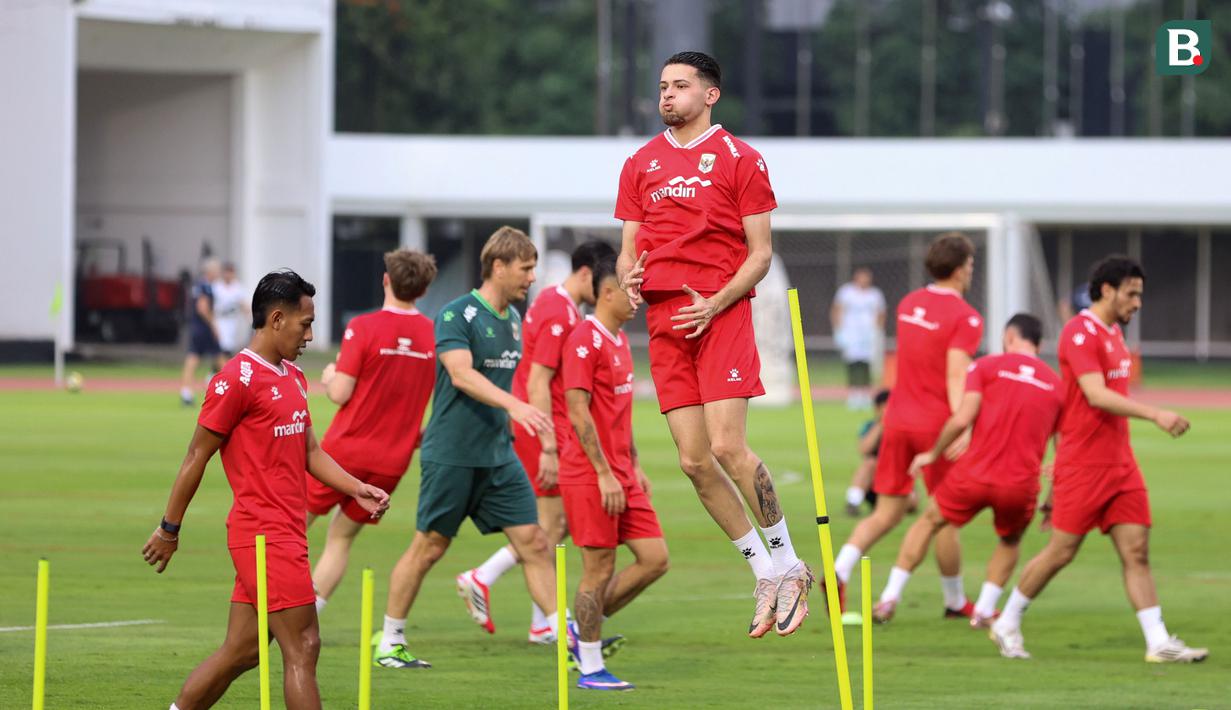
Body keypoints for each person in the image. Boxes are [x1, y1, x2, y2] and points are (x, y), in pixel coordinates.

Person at [615, 50, 811, 638]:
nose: (666, 96)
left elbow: (761, 255)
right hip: (665, 321)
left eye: (679, 86)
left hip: (719, 311)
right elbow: (630, 246)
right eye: (662, 87)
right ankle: (766, 572)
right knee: (692, 460)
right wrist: (628, 272)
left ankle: (791, 562)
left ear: (710, 95)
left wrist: (718, 301)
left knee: (728, 447)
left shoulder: (740, 159)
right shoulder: (639, 163)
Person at [141, 269, 390, 710]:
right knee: (305, 646)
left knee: (242, 652)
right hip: (264, 535)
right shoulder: (235, 380)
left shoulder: (292, 377)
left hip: (283, 532)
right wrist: (168, 529)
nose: (310, 335)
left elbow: (310, 450)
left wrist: (356, 488)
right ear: (276, 320)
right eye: (305, 323)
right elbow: (196, 457)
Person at [989, 257, 1207, 663]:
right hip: (1084, 463)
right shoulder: (1079, 332)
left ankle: (1158, 642)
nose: (1138, 303)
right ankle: (1007, 621)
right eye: (1132, 293)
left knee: (1137, 550)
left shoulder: (1114, 335)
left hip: (1120, 463)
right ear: (1106, 290)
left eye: (1139, 294)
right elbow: (1094, 394)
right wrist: (1156, 414)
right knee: (1061, 551)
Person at [374, 226, 559, 669]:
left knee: (535, 541)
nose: (532, 277)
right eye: (526, 267)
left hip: (498, 455)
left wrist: (541, 434)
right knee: (430, 546)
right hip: (452, 453)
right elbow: (460, 374)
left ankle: (566, 635)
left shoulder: (514, 321)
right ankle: (390, 642)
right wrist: (515, 405)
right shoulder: (457, 315)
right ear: (498, 266)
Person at [458, 240, 615, 643]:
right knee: (549, 524)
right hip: (541, 430)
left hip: (547, 427)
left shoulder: (560, 306)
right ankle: (484, 577)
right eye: (606, 283)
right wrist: (548, 444)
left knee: (552, 525)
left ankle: (540, 621)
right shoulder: (556, 312)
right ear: (586, 275)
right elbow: (537, 380)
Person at [827, 232, 984, 617]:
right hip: (936, 424)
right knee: (945, 514)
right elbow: (954, 375)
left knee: (886, 513)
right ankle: (954, 600)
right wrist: (963, 423)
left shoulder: (909, 303)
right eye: (971, 264)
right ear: (962, 267)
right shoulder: (966, 317)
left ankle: (839, 569)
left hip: (897, 419)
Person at [871, 314, 1062, 627]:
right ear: (1039, 345)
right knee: (1010, 541)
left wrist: (932, 453)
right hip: (1020, 484)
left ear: (1008, 337)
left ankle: (891, 596)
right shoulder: (1056, 385)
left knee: (928, 522)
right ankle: (985, 610)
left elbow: (961, 419)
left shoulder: (985, 367)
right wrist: (1052, 502)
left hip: (974, 474)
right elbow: (1062, 450)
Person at [305, 249, 438, 614]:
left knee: (293, 526)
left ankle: (273, 608)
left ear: (386, 280)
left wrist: (330, 375)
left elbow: (341, 393)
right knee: (341, 539)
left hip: (343, 452)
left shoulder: (363, 326)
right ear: (423, 291)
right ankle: (309, 616)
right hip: (392, 462)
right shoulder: (433, 335)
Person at [561, 255, 669, 690]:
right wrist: (604, 472)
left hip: (623, 471)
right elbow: (577, 410)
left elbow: (617, 415)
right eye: (632, 289)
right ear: (607, 293)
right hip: (590, 474)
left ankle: (581, 626)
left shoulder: (620, 340)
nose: (639, 298)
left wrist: (635, 465)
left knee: (655, 559)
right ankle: (589, 667)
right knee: (598, 568)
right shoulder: (584, 340)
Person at [831, 267, 886, 410]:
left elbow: (881, 313)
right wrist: (838, 330)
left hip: (868, 334)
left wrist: (877, 331)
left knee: (867, 364)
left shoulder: (875, 294)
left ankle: (866, 393)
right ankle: (854, 393)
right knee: (853, 364)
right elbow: (837, 310)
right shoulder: (846, 292)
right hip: (851, 333)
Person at [180, 259, 227, 405]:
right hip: (204, 328)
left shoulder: (198, 285)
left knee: (193, 358)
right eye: (217, 270)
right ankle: (233, 390)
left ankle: (186, 392)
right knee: (220, 359)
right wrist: (214, 324)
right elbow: (202, 307)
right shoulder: (205, 286)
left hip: (196, 327)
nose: (219, 273)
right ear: (210, 271)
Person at [845, 389, 890, 516]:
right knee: (869, 463)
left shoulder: (902, 426)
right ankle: (852, 502)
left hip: (895, 480)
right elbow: (864, 449)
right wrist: (881, 425)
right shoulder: (870, 426)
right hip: (873, 483)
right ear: (877, 408)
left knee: (912, 503)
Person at [212, 262, 249, 356]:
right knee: (220, 346)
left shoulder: (237, 287)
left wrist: (250, 318)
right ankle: (218, 368)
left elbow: (243, 304)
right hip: (219, 319)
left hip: (232, 320)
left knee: (228, 347)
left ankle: (219, 368)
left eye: (230, 272)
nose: (228, 275)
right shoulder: (216, 286)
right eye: (226, 272)